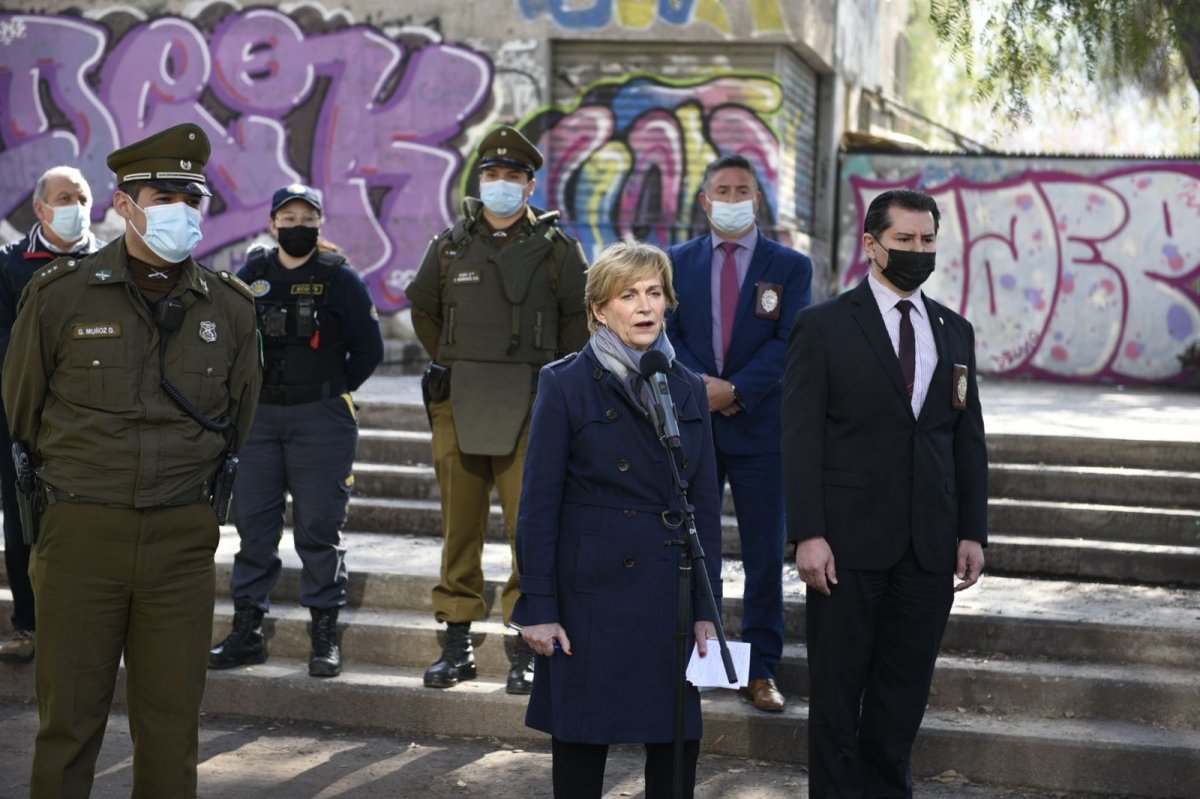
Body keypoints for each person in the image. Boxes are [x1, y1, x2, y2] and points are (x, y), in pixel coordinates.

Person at [2, 123, 262, 797]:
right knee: (68, 727)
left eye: (190, 197)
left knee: (172, 730)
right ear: (123, 204)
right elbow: (23, 411)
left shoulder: (230, 308)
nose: (180, 209)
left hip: (181, 540)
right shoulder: (59, 295)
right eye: (163, 196)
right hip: (80, 534)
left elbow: (239, 421)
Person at [781, 188, 987, 798]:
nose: (918, 250)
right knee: (837, 695)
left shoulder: (955, 331)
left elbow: (967, 438)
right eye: (904, 240)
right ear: (872, 245)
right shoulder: (822, 326)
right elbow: (799, 438)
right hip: (846, 546)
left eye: (927, 240)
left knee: (903, 697)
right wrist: (808, 534)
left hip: (928, 546)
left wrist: (972, 531)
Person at [514, 240, 722, 799]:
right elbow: (538, 505)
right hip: (590, 597)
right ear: (600, 309)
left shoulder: (688, 387)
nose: (645, 305)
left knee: (675, 754)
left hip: (669, 594)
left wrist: (708, 610)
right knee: (581, 751)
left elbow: (704, 506)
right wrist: (538, 607)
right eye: (628, 295)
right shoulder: (565, 381)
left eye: (654, 292)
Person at [406, 125, 589, 694]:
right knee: (459, 528)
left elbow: (578, 323)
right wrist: (453, 361)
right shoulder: (449, 245)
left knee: (528, 528)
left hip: (532, 404)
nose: (501, 184)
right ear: (479, 181)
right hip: (459, 401)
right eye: (492, 175)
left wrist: (551, 382)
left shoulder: (559, 250)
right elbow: (424, 310)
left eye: (513, 176)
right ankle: (456, 643)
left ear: (530, 186)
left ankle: (524, 646)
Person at [207, 184, 384, 678]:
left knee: (320, 529)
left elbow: (369, 350)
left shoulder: (339, 278)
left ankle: (324, 634)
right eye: (288, 218)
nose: (297, 226)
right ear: (272, 224)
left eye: (307, 218)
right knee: (254, 528)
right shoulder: (253, 275)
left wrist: (327, 390)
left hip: (320, 419)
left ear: (319, 224)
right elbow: (226, 338)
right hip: (260, 419)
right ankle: (247, 632)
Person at [665, 153, 812, 712]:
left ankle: (760, 669)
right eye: (722, 191)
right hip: (695, 427)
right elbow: (666, 332)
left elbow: (789, 342)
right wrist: (702, 387)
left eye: (742, 191)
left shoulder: (790, 267)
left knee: (764, 553)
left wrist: (735, 391)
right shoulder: (674, 262)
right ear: (705, 201)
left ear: (757, 200)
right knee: (692, 548)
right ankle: (696, 660)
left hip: (761, 430)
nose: (732, 199)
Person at [0, 166, 103, 664]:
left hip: (92, 420)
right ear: (40, 208)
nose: (75, 207)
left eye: (81, 198)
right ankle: (29, 624)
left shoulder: (110, 262)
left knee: (87, 523)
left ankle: (86, 629)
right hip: (21, 417)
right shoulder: (9, 265)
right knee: (23, 522)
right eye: (64, 198)